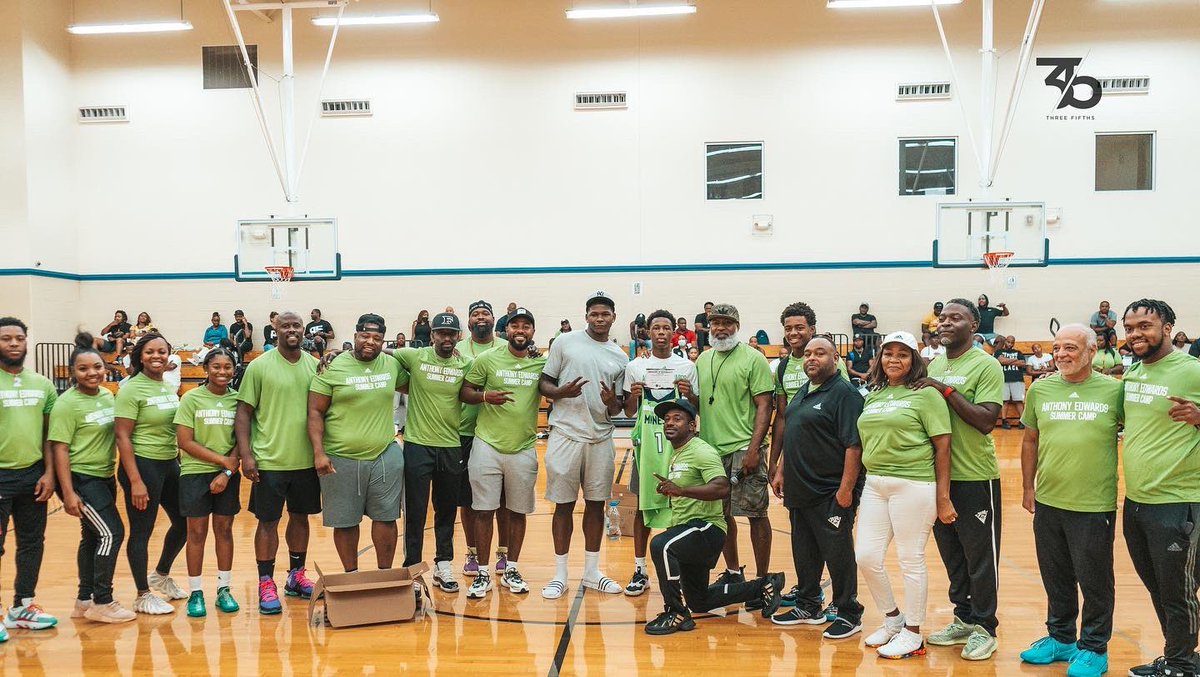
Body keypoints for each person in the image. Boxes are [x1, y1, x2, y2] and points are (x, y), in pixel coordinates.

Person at [1018, 324, 1123, 677]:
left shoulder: (1114, 391)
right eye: (1057, 348)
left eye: (1070, 348)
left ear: (1092, 352)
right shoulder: (1041, 389)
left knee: (1095, 581)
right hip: (1049, 501)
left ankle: (1094, 647)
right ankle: (1061, 638)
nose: (1061, 354)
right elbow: (1030, 440)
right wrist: (1028, 487)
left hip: (1093, 504)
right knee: (1056, 575)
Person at [644, 397, 785, 635]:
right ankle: (763, 586)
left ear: (692, 426)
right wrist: (674, 489)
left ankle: (676, 612)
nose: (669, 423)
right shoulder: (678, 452)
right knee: (699, 600)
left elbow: (722, 487)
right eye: (666, 419)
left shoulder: (701, 451)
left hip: (707, 528)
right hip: (688, 530)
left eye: (677, 419)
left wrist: (681, 490)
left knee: (661, 545)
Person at [854, 331, 954, 659]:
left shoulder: (926, 395)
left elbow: (943, 446)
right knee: (866, 556)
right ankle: (893, 619)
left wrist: (943, 497)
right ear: (880, 358)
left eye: (903, 354)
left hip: (914, 484)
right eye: (888, 353)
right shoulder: (874, 395)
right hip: (875, 484)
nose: (894, 359)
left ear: (914, 360)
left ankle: (913, 632)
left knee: (910, 558)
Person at [916, 298, 1005, 661]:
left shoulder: (986, 365)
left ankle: (985, 627)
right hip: (939, 478)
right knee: (953, 556)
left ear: (974, 325)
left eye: (956, 318)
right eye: (943, 318)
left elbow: (986, 421)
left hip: (975, 476)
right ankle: (964, 618)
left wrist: (945, 389)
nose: (946, 323)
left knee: (980, 558)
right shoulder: (936, 363)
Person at [1119, 299, 1200, 677]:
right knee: (1158, 585)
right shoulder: (1134, 372)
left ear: (1167, 328)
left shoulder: (1192, 370)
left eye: (1145, 326)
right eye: (1129, 328)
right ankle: (1181, 656)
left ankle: (1182, 664)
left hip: (1178, 500)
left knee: (1177, 590)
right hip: (1137, 500)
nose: (1135, 334)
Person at [769, 336, 865, 639]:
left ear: (835, 359)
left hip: (830, 489)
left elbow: (854, 445)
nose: (811, 358)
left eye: (820, 353)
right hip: (800, 488)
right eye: (808, 353)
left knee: (837, 553)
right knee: (804, 550)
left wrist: (846, 490)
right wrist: (782, 469)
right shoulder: (804, 390)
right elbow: (794, 432)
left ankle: (849, 612)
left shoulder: (845, 394)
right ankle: (808, 605)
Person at [539, 291, 627, 599]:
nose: (600, 319)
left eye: (605, 314)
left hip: (600, 437)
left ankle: (592, 572)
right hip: (565, 433)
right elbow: (544, 383)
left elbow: (619, 408)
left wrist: (611, 401)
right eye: (594, 314)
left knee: (595, 504)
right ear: (586, 316)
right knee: (563, 505)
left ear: (613, 318)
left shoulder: (620, 357)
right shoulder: (565, 342)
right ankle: (560, 575)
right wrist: (560, 393)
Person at [235, 311, 320, 614]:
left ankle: (296, 576)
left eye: (296, 325)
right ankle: (265, 581)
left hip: (305, 460)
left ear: (303, 329)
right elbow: (243, 413)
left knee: (300, 518)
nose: (291, 330)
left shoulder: (314, 366)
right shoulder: (259, 366)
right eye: (285, 326)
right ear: (275, 330)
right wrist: (246, 455)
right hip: (269, 461)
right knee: (268, 522)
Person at [460, 307, 547, 599]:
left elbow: (556, 380)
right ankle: (483, 573)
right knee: (483, 510)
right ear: (505, 330)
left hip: (523, 446)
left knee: (517, 511)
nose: (520, 330)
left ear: (533, 332)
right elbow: (465, 391)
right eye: (515, 326)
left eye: (526, 326)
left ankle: (511, 568)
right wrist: (485, 396)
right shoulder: (487, 359)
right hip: (487, 444)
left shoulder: (541, 363)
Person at [49, 332, 136, 624]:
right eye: (83, 368)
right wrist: (68, 493)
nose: (92, 373)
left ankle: (83, 600)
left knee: (92, 537)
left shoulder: (107, 395)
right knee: (112, 533)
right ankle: (103, 600)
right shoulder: (66, 404)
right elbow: (59, 449)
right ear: (73, 372)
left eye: (97, 367)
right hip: (80, 479)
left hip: (104, 477)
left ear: (105, 368)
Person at [309, 314, 403, 575]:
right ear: (355, 336)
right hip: (340, 456)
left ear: (383, 341)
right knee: (346, 521)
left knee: (386, 517)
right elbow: (315, 412)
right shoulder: (332, 367)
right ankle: (351, 576)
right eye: (365, 336)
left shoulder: (391, 365)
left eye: (377, 338)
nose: (370, 342)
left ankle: (385, 575)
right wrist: (319, 452)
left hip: (384, 452)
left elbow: (417, 379)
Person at [696, 303, 774, 599]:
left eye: (727, 323)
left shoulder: (753, 358)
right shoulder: (703, 359)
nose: (720, 328)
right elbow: (702, 403)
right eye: (716, 323)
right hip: (711, 452)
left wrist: (754, 449)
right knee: (722, 515)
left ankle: (762, 581)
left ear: (737, 326)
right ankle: (733, 572)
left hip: (744, 448)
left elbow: (764, 406)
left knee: (756, 514)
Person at [621, 310, 699, 596]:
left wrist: (689, 394)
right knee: (643, 508)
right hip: (647, 452)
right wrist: (633, 395)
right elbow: (629, 411)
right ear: (649, 332)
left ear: (674, 333)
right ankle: (640, 570)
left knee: (680, 510)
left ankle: (680, 571)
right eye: (657, 328)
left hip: (678, 453)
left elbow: (696, 408)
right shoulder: (636, 367)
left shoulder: (686, 367)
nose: (662, 332)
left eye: (667, 328)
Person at [395, 313, 469, 592]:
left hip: (450, 445)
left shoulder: (465, 363)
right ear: (433, 335)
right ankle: (413, 568)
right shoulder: (415, 356)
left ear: (458, 336)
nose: (446, 338)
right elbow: (382, 355)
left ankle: (443, 564)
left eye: (451, 333)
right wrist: (336, 355)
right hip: (417, 444)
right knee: (415, 510)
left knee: (446, 509)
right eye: (441, 333)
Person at [114, 332, 186, 614]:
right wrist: (135, 481)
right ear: (140, 357)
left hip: (169, 463)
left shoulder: (167, 385)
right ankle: (142, 594)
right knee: (142, 531)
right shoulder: (130, 389)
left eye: (162, 351)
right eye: (150, 352)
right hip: (142, 466)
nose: (157, 356)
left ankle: (161, 574)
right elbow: (122, 436)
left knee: (184, 522)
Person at [0, 317, 59, 635]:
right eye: (6, 338)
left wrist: (49, 473)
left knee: (32, 543)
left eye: (19, 338)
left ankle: (22, 606)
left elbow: (50, 435)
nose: (13, 343)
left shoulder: (43, 384)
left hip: (34, 476)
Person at [174, 347, 241, 617]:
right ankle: (196, 592)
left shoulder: (238, 400)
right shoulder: (191, 399)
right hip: (194, 473)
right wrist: (222, 461)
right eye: (216, 366)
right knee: (196, 533)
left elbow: (242, 439)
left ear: (234, 370)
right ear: (205, 369)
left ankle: (224, 589)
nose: (222, 371)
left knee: (224, 531)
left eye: (227, 367)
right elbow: (185, 441)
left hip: (227, 475)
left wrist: (226, 472)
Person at [455, 301, 510, 579]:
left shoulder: (507, 347)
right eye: (475, 314)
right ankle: (473, 552)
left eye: (485, 313)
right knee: (468, 500)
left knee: (502, 499)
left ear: (493, 319)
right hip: (464, 431)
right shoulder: (457, 349)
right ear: (468, 321)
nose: (480, 317)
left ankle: (503, 552)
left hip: (499, 432)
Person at [995, 335, 1027, 430]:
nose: (1010, 344)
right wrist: (1015, 360)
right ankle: (1004, 421)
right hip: (1003, 379)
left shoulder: (1018, 352)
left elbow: (1022, 363)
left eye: (1012, 342)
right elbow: (1000, 361)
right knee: (1004, 401)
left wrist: (1006, 361)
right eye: (1008, 342)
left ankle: (1022, 421)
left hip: (1017, 379)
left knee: (1019, 401)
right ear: (1005, 341)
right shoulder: (999, 352)